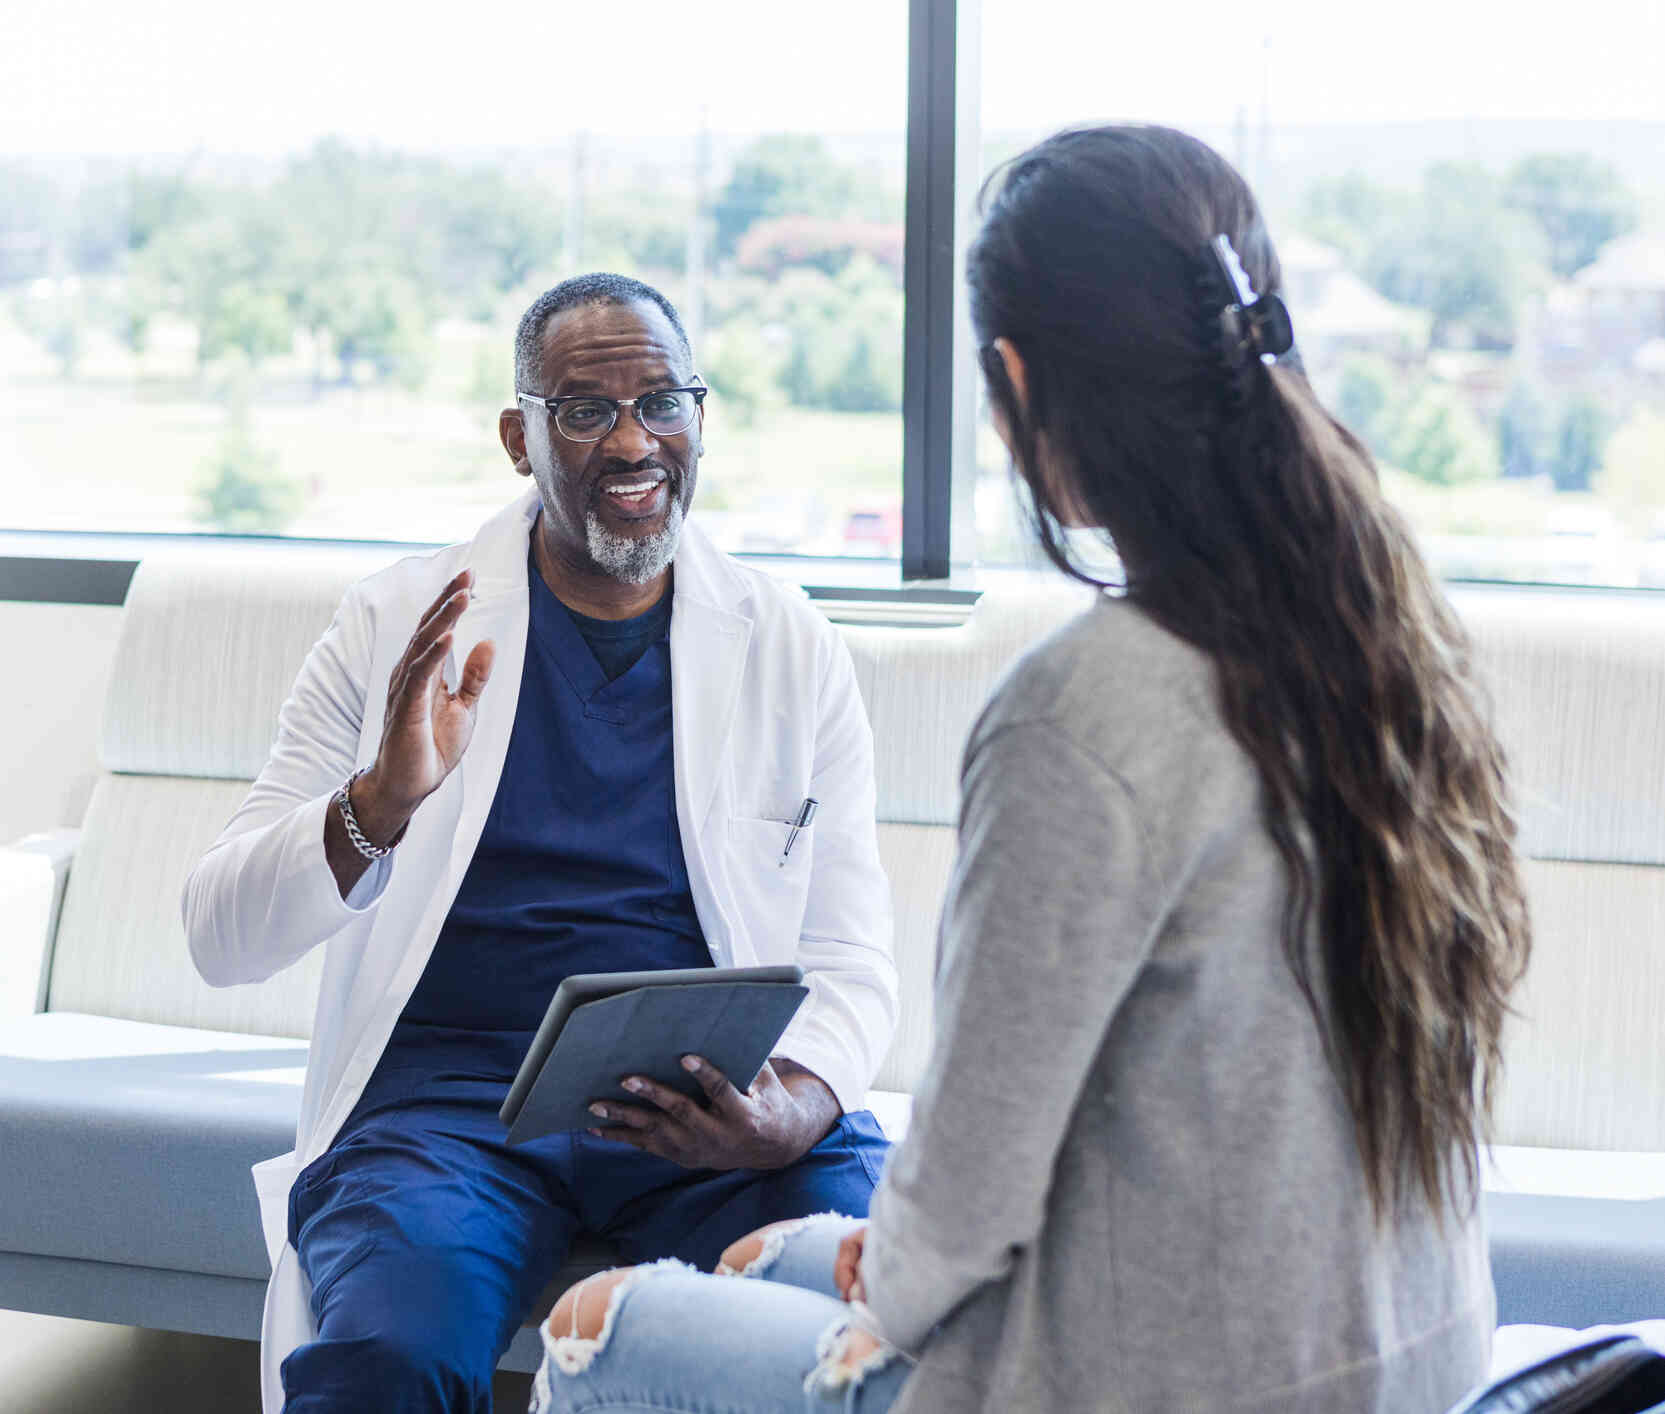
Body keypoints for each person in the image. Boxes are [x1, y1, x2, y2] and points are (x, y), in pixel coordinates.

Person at [530, 125, 1532, 1414]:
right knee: (763, 1252)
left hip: (1171, 1386)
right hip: (1404, 1354)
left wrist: (883, 1274)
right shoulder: (1390, 640)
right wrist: (860, 1261)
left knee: (596, 1326)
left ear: (1013, 379)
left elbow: (971, 1189)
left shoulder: (1081, 713)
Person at [180, 271, 899, 1414]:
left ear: (701, 420)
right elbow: (218, 935)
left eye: (663, 402)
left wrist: (794, 1109)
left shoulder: (789, 643)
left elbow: (854, 960)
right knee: (389, 1361)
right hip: (449, 1116)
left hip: (707, 1110)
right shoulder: (396, 627)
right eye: (584, 410)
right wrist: (380, 800)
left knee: (891, 1305)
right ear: (519, 438)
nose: (633, 442)